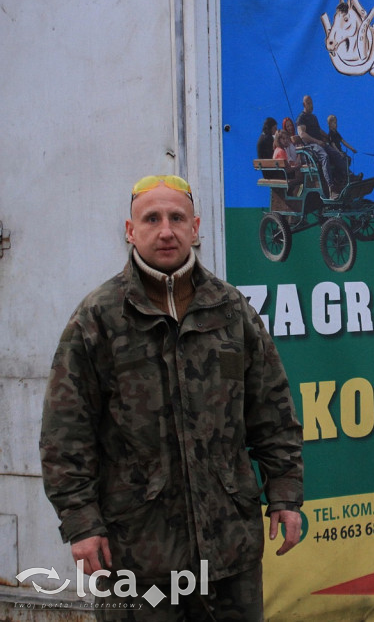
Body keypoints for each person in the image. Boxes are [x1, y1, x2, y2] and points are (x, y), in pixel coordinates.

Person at [40, 175, 304, 621]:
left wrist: (284, 493)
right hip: (138, 554)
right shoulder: (99, 318)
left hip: (229, 550)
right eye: (152, 219)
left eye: (177, 218)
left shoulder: (230, 309)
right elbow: (66, 433)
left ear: (195, 227)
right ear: (131, 230)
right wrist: (81, 522)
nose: (166, 230)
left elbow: (272, 409)